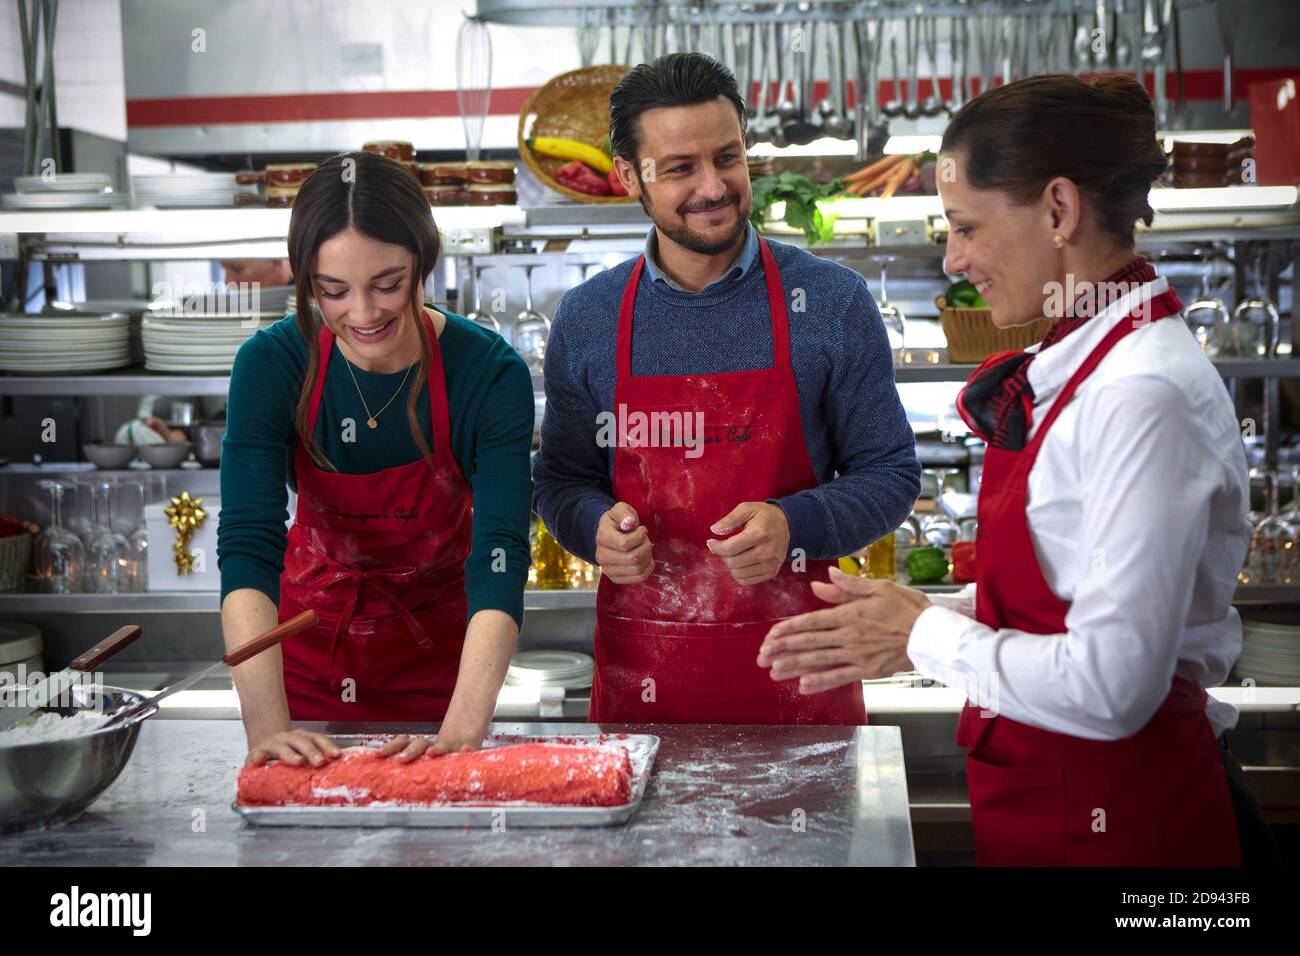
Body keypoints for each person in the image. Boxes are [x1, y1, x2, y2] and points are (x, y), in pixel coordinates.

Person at [759, 74, 1252, 865]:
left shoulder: (1142, 394)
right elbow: (1065, 590)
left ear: (1058, 211)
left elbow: (1111, 689)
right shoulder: (1089, 363)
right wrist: (932, 613)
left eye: (966, 228)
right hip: (1055, 811)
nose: (955, 260)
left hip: (1128, 831)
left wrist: (924, 635)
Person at [532, 53, 920, 725]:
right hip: (647, 684)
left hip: (804, 674)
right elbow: (561, 480)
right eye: (681, 168)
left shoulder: (830, 301)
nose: (713, 187)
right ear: (630, 177)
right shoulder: (590, 316)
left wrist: (791, 525)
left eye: (728, 158)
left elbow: (890, 474)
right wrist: (591, 527)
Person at [217, 151, 534, 767]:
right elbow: (249, 543)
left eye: (388, 284)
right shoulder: (270, 366)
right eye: (332, 291)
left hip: (443, 678)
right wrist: (267, 730)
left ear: (424, 262)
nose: (362, 315)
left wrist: (462, 731)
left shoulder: (488, 373)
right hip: (305, 671)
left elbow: (500, 556)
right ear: (306, 281)